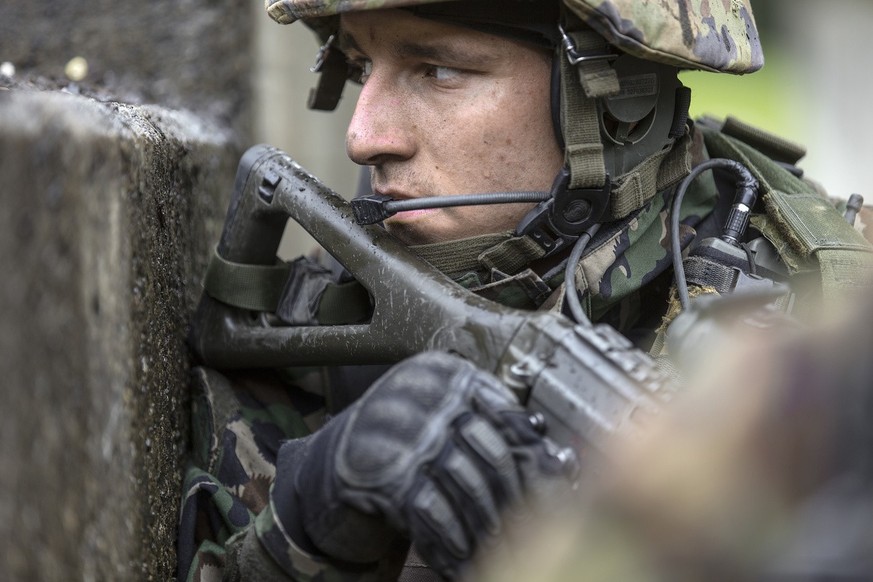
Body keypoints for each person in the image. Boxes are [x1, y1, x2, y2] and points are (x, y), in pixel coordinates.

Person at [177, 1, 873, 581]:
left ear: (612, 106)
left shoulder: (838, 325)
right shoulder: (322, 335)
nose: (364, 136)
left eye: (436, 69)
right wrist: (311, 522)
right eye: (360, 67)